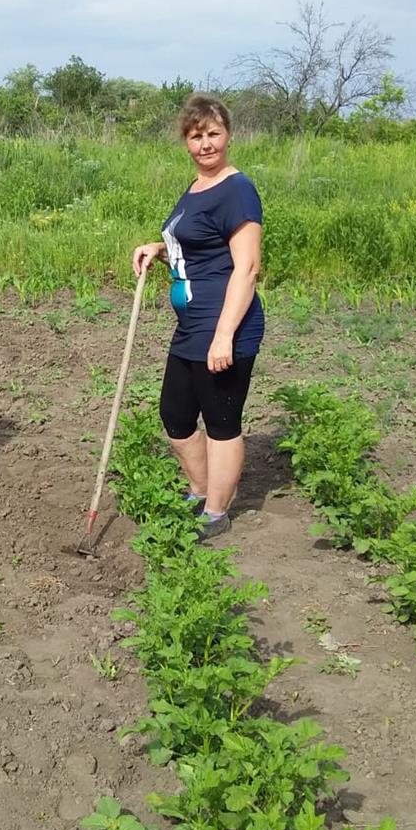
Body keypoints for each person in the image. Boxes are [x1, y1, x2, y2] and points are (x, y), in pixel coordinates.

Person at [132, 93, 264, 540]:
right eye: (195, 136)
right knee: (176, 414)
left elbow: (246, 268)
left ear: (227, 135)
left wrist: (224, 335)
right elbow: (197, 251)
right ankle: (199, 489)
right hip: (192, 324)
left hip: (223, 323)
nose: (205, 144)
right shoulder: (195, 188)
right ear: (185, 141)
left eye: (213, 134)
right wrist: (159, 249)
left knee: (221, 420)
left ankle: (216, 511)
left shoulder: (237, 189)